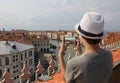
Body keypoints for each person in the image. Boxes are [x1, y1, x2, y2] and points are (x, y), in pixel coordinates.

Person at [59, 11, 113, 83]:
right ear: (100, 37)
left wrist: (60, 55)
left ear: (82, 36)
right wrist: (80, 52)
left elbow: (66, 79)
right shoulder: (109, 56)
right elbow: (90, 67)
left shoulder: (73, 64)